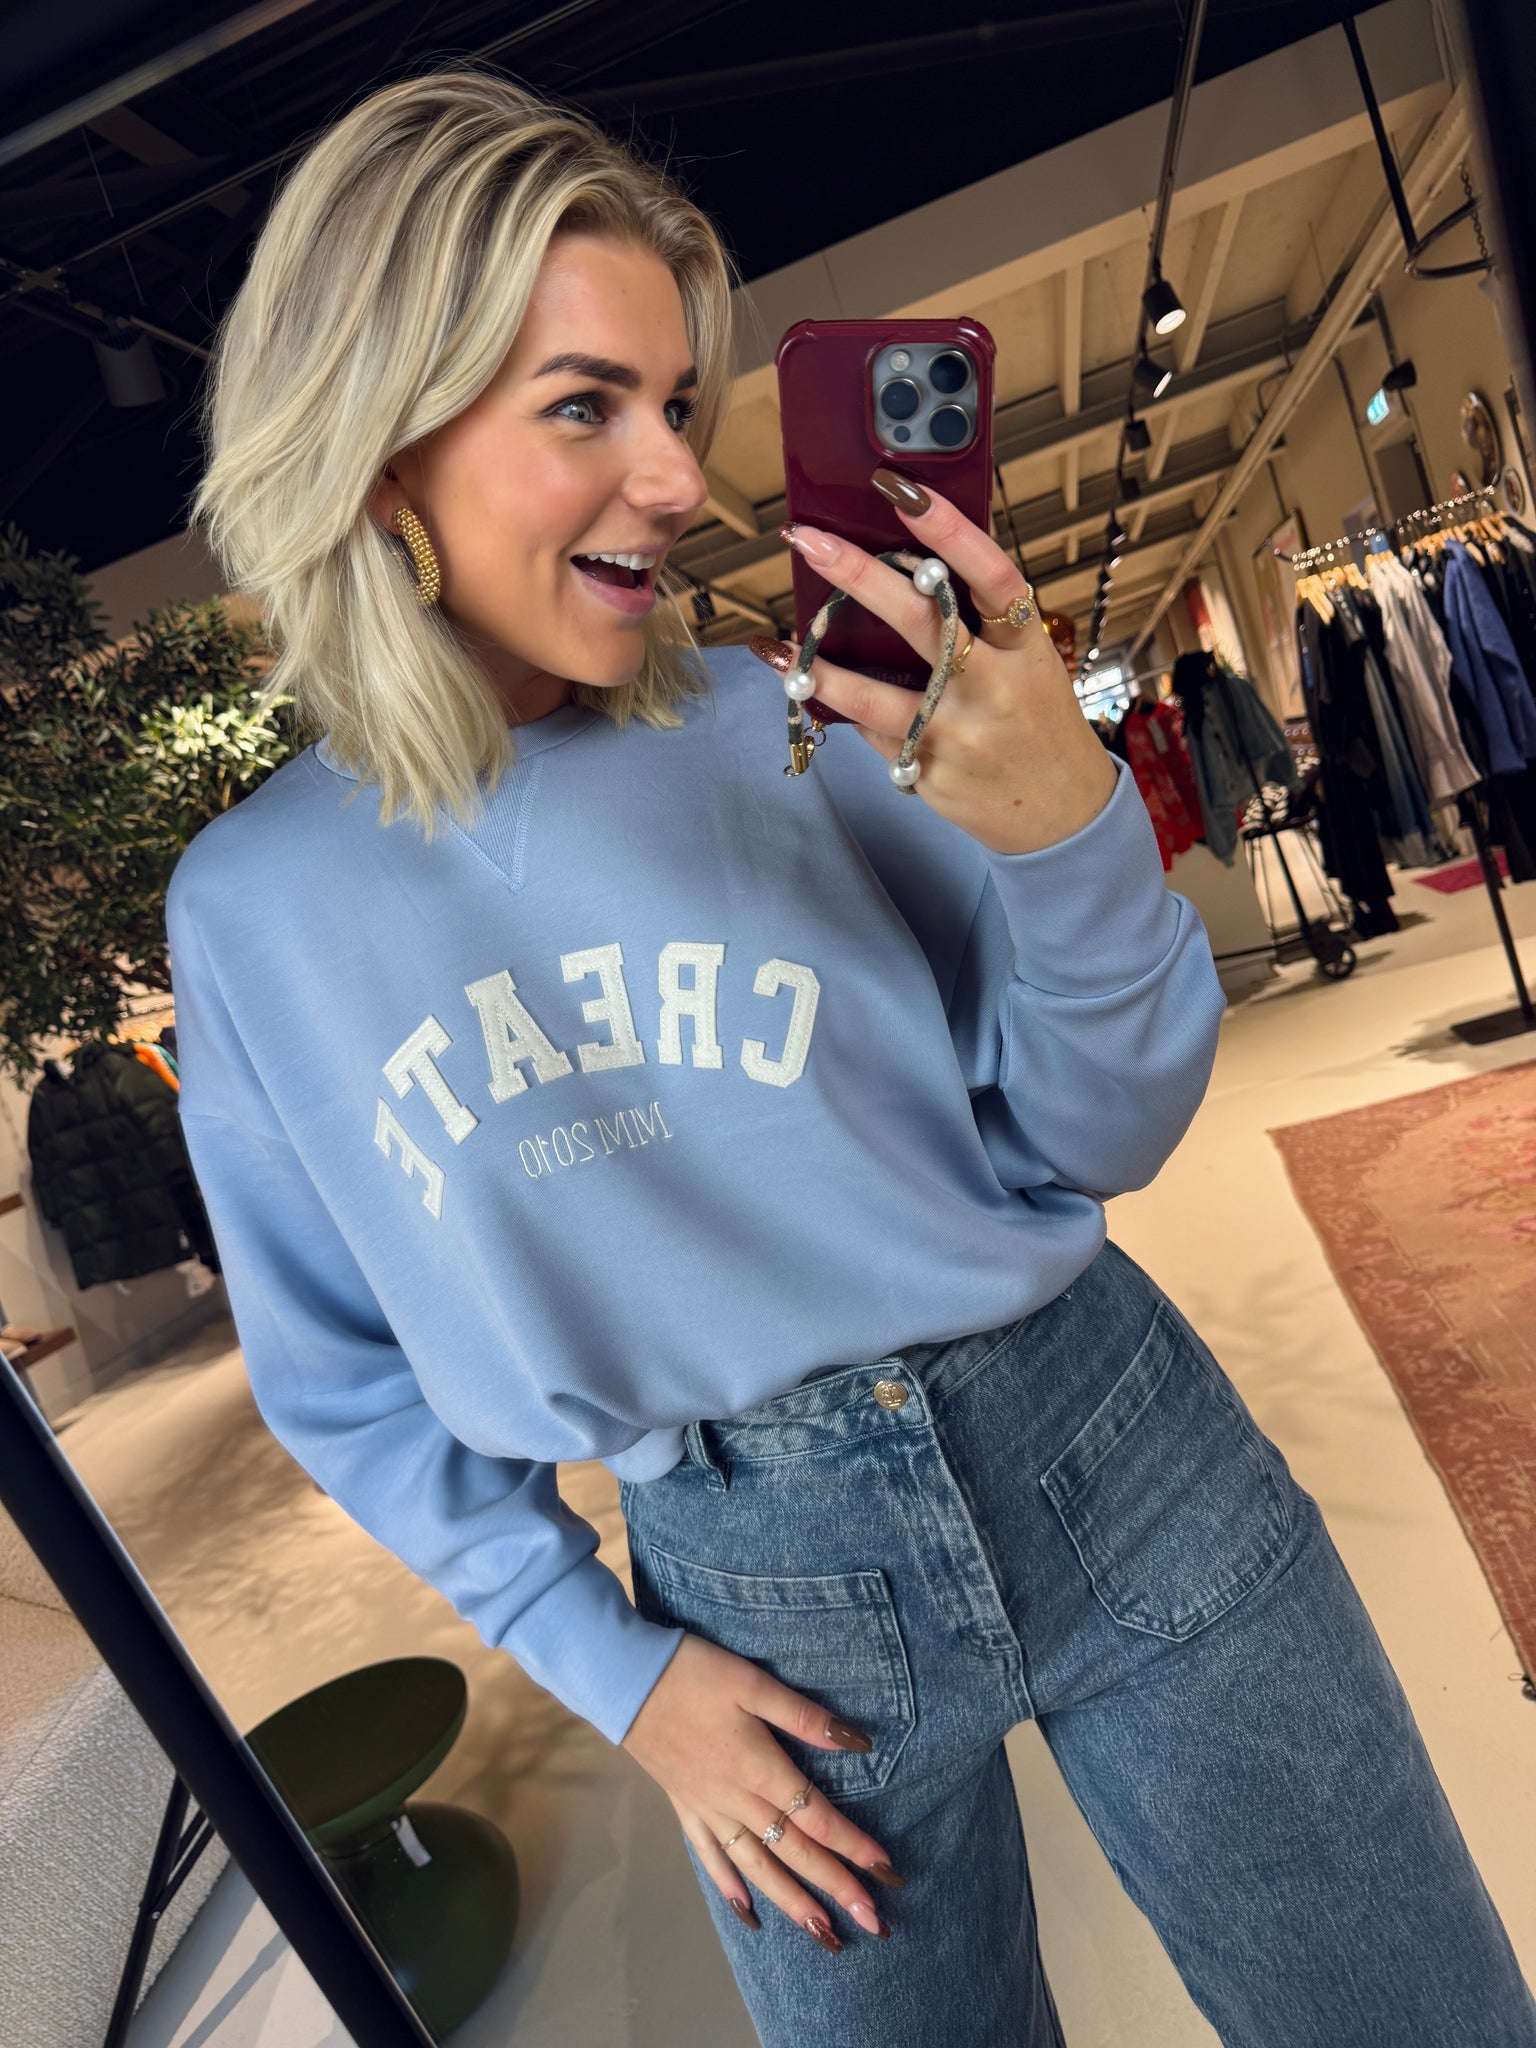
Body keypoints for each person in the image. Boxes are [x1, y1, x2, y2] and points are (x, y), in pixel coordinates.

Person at [171, 65, 1536, 2048]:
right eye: (586, 407)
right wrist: (618, 1671)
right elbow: (342, 1377)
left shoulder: (794, 727)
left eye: (678, 405)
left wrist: (1070, 839)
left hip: (1114, 1443)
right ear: (382, 450)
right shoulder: (258, 911)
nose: (678, 480)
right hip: (759, 1606)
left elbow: (1106, 1124)